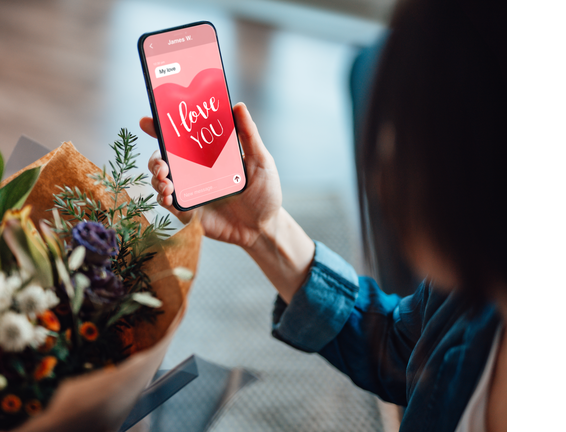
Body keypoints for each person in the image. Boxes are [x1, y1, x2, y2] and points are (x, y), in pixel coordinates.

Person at [139, 0, 506, 431]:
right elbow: (406, 351)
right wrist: (263, 229)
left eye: (401, 143)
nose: (384, 183)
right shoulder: (477, 292)